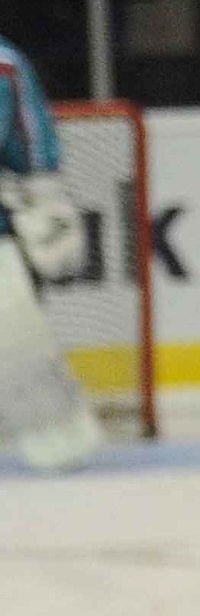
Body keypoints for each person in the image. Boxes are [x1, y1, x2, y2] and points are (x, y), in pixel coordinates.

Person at [0, 36, 97, 474]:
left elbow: (33, 145)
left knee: (17, 336)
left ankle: (57, 436)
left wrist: (47, 200)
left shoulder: (5, 65)